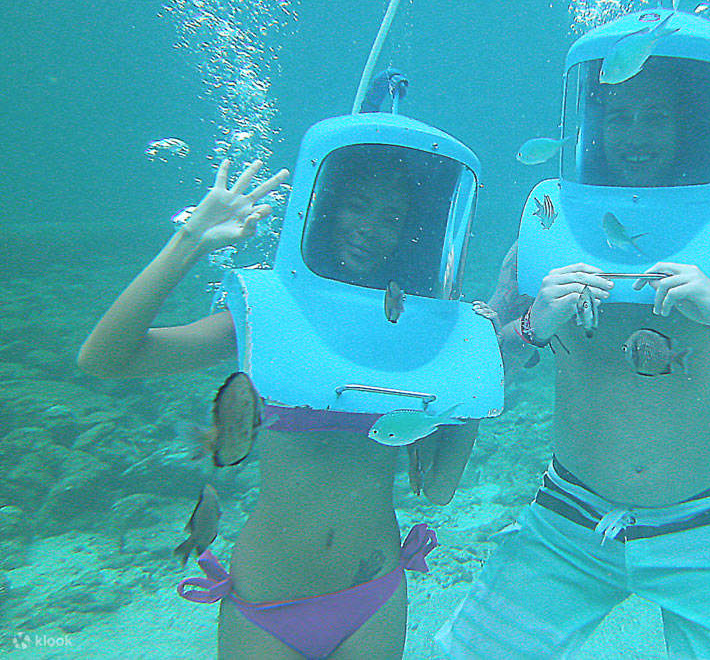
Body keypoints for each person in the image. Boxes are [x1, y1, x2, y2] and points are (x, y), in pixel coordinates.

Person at [437, 11, 710, 660]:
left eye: (656, 117)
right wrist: (531, 325)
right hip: (567, 516)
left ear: (689, 123)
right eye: (619, 116)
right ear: (593, 124)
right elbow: (465, 390)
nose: (634, 135)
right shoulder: (548, 233)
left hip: (706, 522)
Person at [78, 78, 503, 659]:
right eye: (356, 205)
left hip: (376, 595)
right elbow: (106, 359)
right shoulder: (271, 315)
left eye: (390, 216)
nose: (369, 226)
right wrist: (191, 241)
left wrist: (474, 366)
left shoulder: (421, 334)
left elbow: (438, 489)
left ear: (408, 231)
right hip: (266, 602)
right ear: (324, 207)